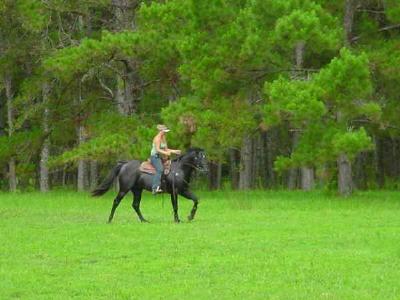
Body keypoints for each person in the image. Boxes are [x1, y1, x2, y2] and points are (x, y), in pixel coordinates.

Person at [150, 124, 181, 194]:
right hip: (155, 157)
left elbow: (166, 149)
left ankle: (165, 185)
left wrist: (174, 151)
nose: (165, 133)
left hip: (161, 156)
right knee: (160, 169)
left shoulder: (163, 138)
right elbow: (157, 150)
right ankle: (155, 188)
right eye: (164, 131)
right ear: (160, 131)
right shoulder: (157, 139)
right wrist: (166, 153)